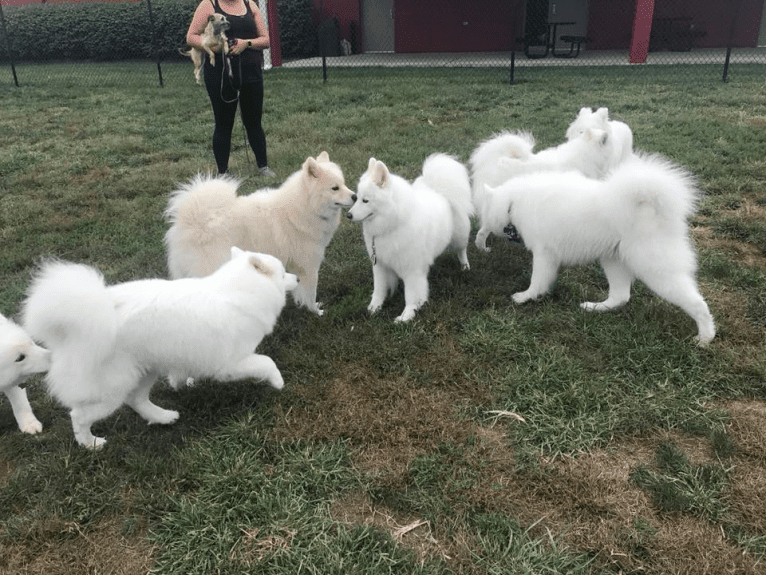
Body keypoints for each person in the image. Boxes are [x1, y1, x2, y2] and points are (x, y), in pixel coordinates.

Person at [186, 0, 275, 176]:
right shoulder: (209, 4)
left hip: (251, 73)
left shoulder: (250, 4)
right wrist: (217, 48)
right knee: (223, 123)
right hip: (220, 75)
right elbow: (191, 37)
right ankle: (223, 173)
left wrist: (246, 43)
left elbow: (265, 40)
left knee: (254, 122)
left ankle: (263, 166)